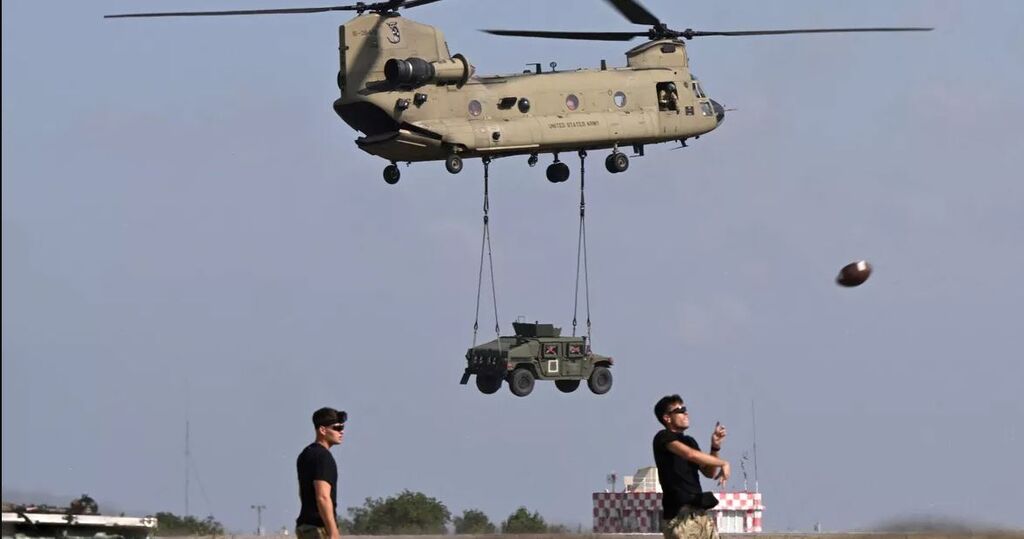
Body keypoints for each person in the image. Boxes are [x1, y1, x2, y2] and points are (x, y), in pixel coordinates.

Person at [652, 395, 730, 539]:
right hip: (680, 517)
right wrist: (723, 463)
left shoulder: (689, 441)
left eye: (685, 409)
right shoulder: (663, 437)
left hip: (700, 515)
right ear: (667, 418)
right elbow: (689, 454)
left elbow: (709, 472)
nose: (686, 413)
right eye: (680, 411)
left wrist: (715, 447)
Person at [296, 407, 346, 539]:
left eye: (342, 427)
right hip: (318, 528)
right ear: (322, 430)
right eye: (337, 428)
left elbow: (303, 492)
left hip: (304, 526)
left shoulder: (306, 454)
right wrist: (333, 532)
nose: (341, 431)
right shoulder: (323, 457)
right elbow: (322, 496)